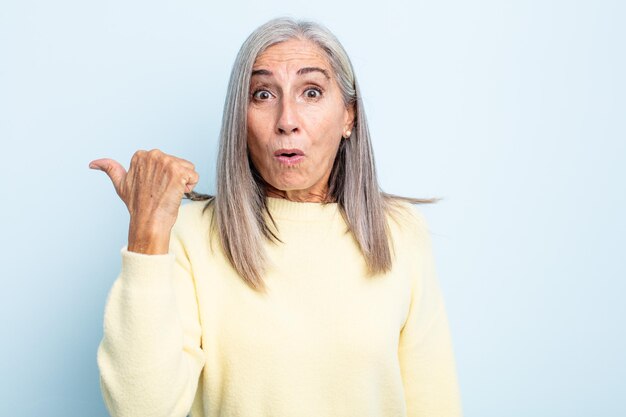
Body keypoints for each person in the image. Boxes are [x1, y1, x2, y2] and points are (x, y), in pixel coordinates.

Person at [89, 17, 463, 417]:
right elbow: (139, 409)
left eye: (312, 92)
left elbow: (434, 404)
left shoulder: (400, 233)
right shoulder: (188, 235)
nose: (287, 120)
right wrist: (147, 235)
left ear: (348, 116)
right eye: (263, 94)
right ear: (240, 117)